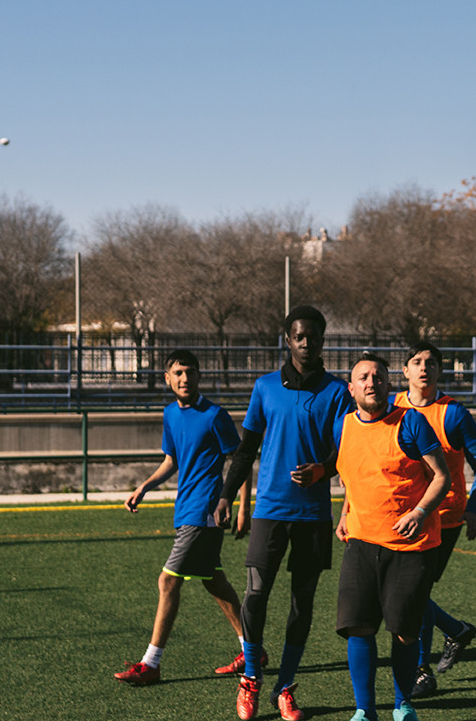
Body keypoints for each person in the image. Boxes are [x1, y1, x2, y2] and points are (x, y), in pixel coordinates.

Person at [215, 305, 353, 721]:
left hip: (313, 515)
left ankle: (286, 685)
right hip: (270, 512)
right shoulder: (264, 388)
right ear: (288, 340)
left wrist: (323, 470)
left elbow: (345, 450)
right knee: (256, 596)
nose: (306, 342)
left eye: (313, 335)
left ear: (322, 340)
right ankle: (252, 678)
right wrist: (225, 495)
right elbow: (246, 449)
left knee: (302, 602)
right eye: (299, 335)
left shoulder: (336, 393)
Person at [114, 349, 252, 685]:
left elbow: (241, 461)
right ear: (167, 378)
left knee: (168, 581)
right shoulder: (170, 415)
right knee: (213, 580)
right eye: (178, 373)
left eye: (190, 372)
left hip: (204, 511)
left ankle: (151, 663)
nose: (184, 378)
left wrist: (242, 506)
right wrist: (144, 486)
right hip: (185, 508)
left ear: (199, 375)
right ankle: (252, 650)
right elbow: (171, 461)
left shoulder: (215, 415)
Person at [334, 352, 452, 721]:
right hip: (361, 541)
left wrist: (419, 512)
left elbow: (441, 476)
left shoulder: (411, 423)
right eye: (364, 377)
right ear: (351, 388)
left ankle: (403, 705)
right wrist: (344, 514)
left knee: (403, 632)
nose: (372, 382)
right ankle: (364, 710)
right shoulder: (343, 426)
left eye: (378, 376)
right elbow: (353, 475)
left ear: (388, 383)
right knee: (359, 627)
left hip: (411, 547)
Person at [391, 341, 476, 698]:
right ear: (404, 371)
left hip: (441, 520)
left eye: (431, 362)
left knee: (415, 594)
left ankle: (420, 671)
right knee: (402, 592)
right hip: (396, 516)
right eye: (416, 362)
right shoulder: (393, 408)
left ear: (439, 370)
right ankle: (456, 630)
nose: (423, 368)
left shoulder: (452, 414)